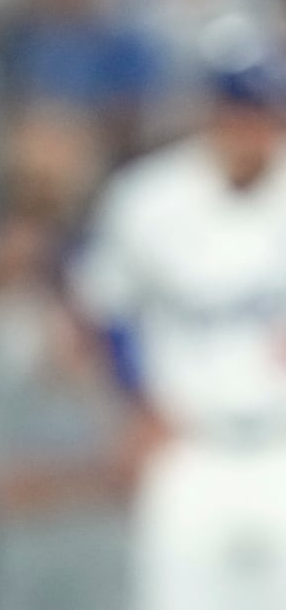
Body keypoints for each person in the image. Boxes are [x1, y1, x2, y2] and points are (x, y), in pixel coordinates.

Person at [73, 43, 286, 610]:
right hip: (190, 447)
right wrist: (134, 404)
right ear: (213, 114)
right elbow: (102, 307)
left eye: (263, 113)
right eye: (238, 111)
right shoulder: (149, 197)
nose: (250, 128)